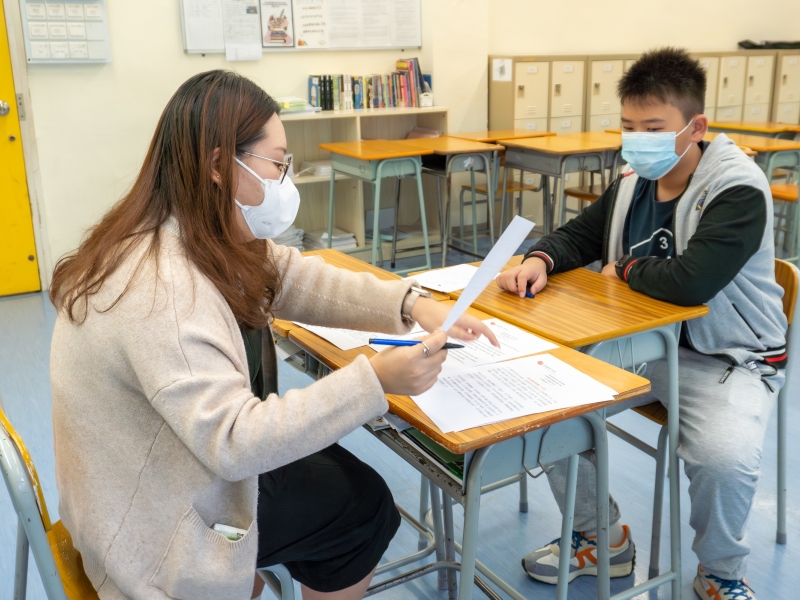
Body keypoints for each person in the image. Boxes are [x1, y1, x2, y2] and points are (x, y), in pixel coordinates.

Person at [49, 70, 497, 600]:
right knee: (364, 508)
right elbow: (235, 442)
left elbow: (291, 276)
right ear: (219, 165)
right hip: (150, 528)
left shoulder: (179, 230)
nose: (286, 181)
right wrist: (375, 381)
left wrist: (411, 303)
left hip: (144, 481)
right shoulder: (163, 290)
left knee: (334, 476)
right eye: (278, 164)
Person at [497, 47, 787, 600]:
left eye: (653, 128)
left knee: (723, 458)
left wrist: (625, 268)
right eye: (629, 127)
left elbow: (692, 281)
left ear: (696, 127)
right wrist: (540, 259)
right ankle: (602, 540)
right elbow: (582, 233)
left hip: (724, 356)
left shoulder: (737, 188)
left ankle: (720, 573)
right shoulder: (634, 180)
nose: (637, 140)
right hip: (640, 343)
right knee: (542, 405)